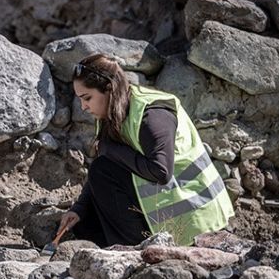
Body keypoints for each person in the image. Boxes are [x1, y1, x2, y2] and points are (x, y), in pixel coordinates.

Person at [58, 53, 234, 247]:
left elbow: (161, 172)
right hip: (165, 207)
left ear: (109, 88)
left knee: (102, 170)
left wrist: (111, 149)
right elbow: (112, 160)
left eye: (87, 98)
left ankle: (132, 253)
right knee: (85, 223)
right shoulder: (113, 113)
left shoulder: (152, 115)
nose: (83, 107)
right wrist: (79, 208)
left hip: (194, 216)